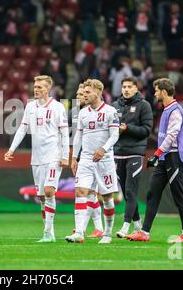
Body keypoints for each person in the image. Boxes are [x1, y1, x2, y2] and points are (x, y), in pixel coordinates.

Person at [5, 75, 69, 243]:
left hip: (54, 156)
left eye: (40, 87)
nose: (36, 89)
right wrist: (11, 149)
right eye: (35, 86)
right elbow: (22, 128)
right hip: (37, 158)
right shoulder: (30, 107)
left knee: (49, 191)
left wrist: (65, 156)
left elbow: (64, 133)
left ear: (48, 89)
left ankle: (49, 233)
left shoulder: (57, 107)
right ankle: (47, 231)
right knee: (41, 196)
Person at [127, 78, 183, 242]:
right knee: (152, 193)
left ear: (164, 92)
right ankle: (144, 233)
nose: (155, 93)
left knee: (178, 196)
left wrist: (156, 154)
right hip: (164, 158)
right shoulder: (167, 109)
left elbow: (171, 136)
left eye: (156, 90)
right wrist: (159, 155)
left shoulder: (175, 111)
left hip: (174, 157)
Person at [66, 79, 120, 244]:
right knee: (80, 192)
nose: (84, 95)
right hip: (86, 160)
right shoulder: (83, 112)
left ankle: (107, 233)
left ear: (98, 93)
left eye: (88, 92)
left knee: (107, 198)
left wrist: (103, 149)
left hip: (105, 160)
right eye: (84, 92)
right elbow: (78, 136)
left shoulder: (111, 111)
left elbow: (115, 135)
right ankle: (79, 233)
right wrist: (74, 157)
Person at [112, 77, 153, 238]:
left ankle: (125, 226)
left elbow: (146, 130)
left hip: (135, 152)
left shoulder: (144, 105)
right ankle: (138, 226)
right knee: (127, 191)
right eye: (124, 87)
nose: (126, 89)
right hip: (118, 153)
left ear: (137, 88)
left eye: (130, 86)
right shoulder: (115, 106)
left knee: (130, 190)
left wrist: (128, 128)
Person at [72, 84, 104, 238]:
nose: (80, 97)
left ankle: (84, 228)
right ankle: (97, 228)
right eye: (78, 95)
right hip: (83, 156)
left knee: (91, 192)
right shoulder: (78, 113)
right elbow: (77, 138)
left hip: (97, 158)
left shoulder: (99, 112)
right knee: (89, 193)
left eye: (83, 94)